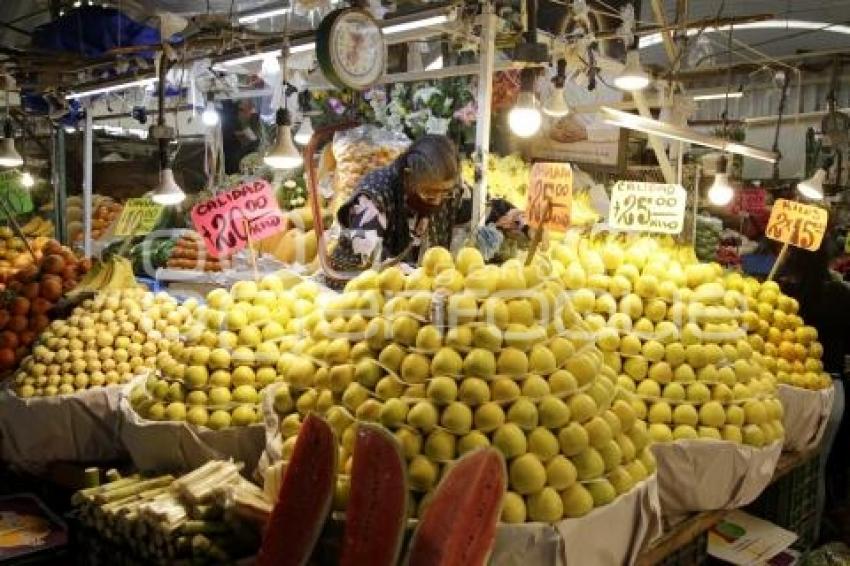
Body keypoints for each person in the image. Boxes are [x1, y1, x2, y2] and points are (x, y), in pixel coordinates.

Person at [327, 134, 522, 281]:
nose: (438, 200)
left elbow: (488, 207)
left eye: (444, 192)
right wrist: (393, 272)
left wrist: (520, 222)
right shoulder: (374, 198)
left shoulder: (452, 191)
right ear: (408, 176)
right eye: (429, 193)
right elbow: (357, 261)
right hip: (371, 302)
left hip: (424, 299)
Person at [778, 234, 850, 510]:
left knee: (777, 473)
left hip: (783, 392)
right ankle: (807, 539)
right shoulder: (840, 294)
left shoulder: (779, 292)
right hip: (828, 393)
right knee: (812, 475)